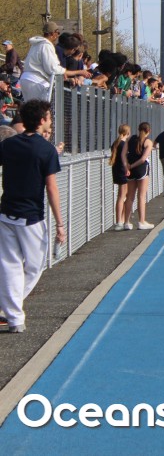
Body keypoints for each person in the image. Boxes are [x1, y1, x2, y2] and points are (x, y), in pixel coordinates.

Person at [0, 100, 64, 333]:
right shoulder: (46, 149)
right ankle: (11, 310)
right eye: (49, 116)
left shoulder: (8, 145)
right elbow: (52, 188)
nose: (50, 120)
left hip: (7, 213)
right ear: (41, 120)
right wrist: (60, 223)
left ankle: (13, 314)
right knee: (35, 266)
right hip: (31, 217)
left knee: (10, 265)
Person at [19, 21, 90, 102]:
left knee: (30, 107)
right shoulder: (46, 46)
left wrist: (67, 77)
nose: (58, 35)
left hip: (27, 79)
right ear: (53, 33)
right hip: (36, 81)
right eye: (58, 33)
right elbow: (53, 69)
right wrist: (79, 72)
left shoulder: (36, 45)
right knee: (39, 108)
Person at [124, 122, 155, 230]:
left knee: (129, 196)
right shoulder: (148, 142)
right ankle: (141, 221)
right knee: (141, 196)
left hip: (130, 170)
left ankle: (126, 222)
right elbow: (143, 159)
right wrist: (132, 166)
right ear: (149, 131)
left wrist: (127, 166)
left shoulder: (130, 139)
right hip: (141, 169)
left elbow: (123, 154)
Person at [110, 124, 132, 230]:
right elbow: (125, 159)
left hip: (117, 169)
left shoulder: (116, 143)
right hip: (123, 170)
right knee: (122, 196)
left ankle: (121, 220)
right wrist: (127, 169)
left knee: (124, 195)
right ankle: (119, 221)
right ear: (127, 132)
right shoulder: (123, 144)